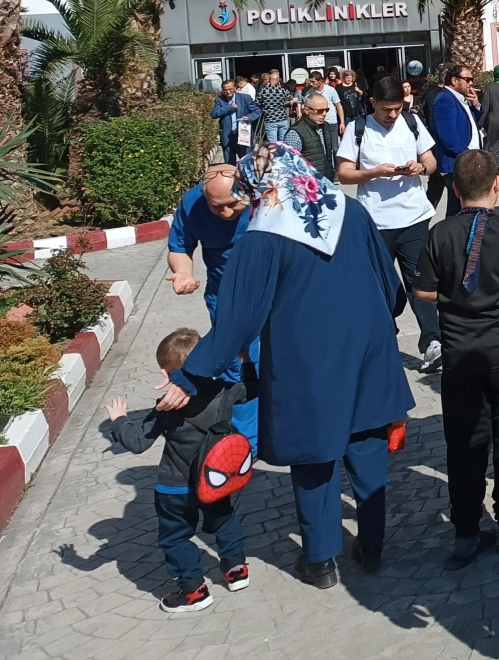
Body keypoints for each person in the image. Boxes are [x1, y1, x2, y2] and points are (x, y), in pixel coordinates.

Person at [156, 144, 415, 588]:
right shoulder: (348, 212)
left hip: (306, 357)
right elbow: (392, 289)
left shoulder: (262, 236)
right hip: (370, 350)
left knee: (315, 456)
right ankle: (372, 546)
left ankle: (320, 562)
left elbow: (235, 323)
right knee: (367, 442)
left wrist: (188, 375)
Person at [414, 149, 499, 568]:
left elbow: (424, 292)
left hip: (461, 354)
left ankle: (466, 532)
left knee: (464, 445)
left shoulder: (439, 234)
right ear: (496, 184)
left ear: (455, 189)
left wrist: (456, 291)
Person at [103, 328, 249, 614]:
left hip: (176, 487)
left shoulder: (167, 407)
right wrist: (245, 360)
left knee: (175, 537)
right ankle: (236, 570)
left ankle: (194, 591)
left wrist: (119, 421)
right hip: (215, 478)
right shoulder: (226, 392)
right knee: (223, 518)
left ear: (165, 372)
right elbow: (253, 385)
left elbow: (137, 443)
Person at [337, 77, 443, 373]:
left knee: (419, 283)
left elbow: (431, 160)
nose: (392, 115)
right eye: (386, 109)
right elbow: (344, 173)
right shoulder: (359, 128)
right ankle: (383, 341)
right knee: (379, 285)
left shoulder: (412, 123)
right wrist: (371, 173)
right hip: (375, 221)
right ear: (373, 103)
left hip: (413, 218)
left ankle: (433, 343)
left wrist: (420, 168)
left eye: (397, 108)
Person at [166, 165, 259, 453]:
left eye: (234, 205)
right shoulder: (193, 203)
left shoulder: (267, 195)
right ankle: (247, 442)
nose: (227, 213)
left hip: (271, 289)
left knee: (274, 357)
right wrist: (182, 272)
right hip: (225, 293)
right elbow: (180, 246)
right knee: (233, 362)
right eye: (218, 207)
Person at [432, 62, 484, 215]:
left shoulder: (458, 98)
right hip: (457, 163)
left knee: (464, 207)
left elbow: (469, 123)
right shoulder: (444, 100)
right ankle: (451, 237)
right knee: (458, 209)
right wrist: (467, 156)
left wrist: (476, 105)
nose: (471, 83)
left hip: (466, 161)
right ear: (454, 80)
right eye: (467, 80)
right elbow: (449, 136)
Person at [290, 92, 339, 180]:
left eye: (326, 110)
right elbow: (290, 164)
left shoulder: (325, 126)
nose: (324, 114)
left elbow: (328, 154)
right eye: (319, 111)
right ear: (306, 110)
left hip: (327, 181)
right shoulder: (295, 132)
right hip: (309, 185)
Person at [211, 82, 261, 165]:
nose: (228, 92)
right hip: (228, 136)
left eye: (230, 89)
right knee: (229, 165)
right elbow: (214, 114)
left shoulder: (245, 98)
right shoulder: (219, 100)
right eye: (225, 90)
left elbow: (257, 111)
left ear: (235, 88)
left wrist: (249, 117)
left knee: (247, 162)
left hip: (243, 135)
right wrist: (229, 107)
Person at [305, 68, 344, 145]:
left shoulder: (330, 90)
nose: (311, 84)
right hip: (317, 123)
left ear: (320, 81)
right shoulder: (309, 93)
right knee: (322, 146)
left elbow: (338, 105)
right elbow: (306, 109)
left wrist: (342, 122)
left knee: (334, 148)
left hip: (331, 121)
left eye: (313, 82)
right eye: (310, 81)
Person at [256, 70, 293, 145]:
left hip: (270, 119)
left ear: (269, 80)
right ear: (278, 81)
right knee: (284, 142)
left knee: (273, 143)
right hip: (282, 118)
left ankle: (274, 156)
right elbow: (290, 98)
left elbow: (257, 102)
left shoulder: (263, 91)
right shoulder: (283, 90)